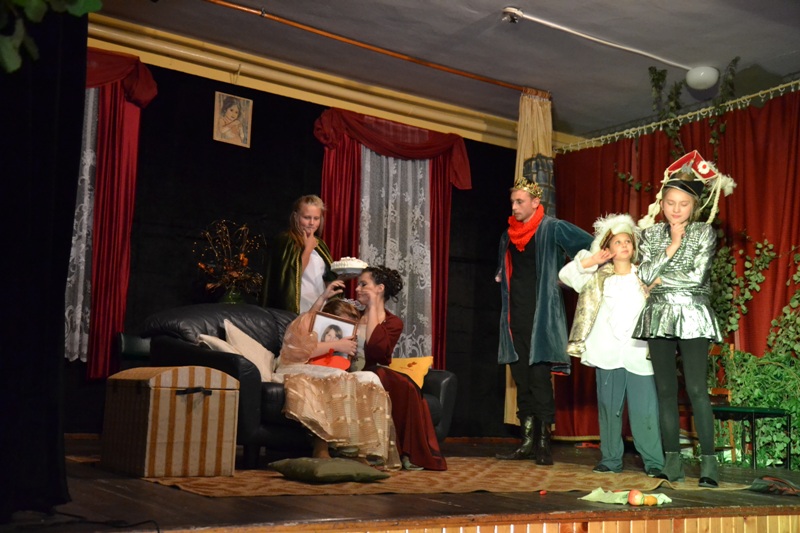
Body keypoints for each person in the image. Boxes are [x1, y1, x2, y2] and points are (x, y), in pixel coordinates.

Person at [633, 150, 735, 487]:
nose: (676, 209)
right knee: (664, 391)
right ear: (662, 203)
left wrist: (660, 278)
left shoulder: (704, 233)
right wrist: (673, 247)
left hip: (692, 313)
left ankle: (709, 466)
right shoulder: (650, 235)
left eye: (683, 204)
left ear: (694, 206)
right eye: (670, 203)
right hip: (658, 315)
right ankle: (672, 463)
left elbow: (695, 277)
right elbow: (644, 274)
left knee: (696, 389)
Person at [495, 174, 593, 465]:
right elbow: (505, 271)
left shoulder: (553, 227)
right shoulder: (508, 235)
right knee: (522, 380)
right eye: (512, 202)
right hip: (514, 316)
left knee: (539, 379)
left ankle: (543, 443)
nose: (514, 207)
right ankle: (526, 442)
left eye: (520, 201)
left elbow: (590, 244)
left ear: (535, 202)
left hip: (542, 317)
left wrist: (567, 277)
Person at [559, 213, 663, 476]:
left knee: (645, 409)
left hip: (639, 352)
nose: (624, 245)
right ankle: (611, 459)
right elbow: (566, 275)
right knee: (609, 408)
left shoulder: (644, 274)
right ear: (608, 248)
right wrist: (593, 260)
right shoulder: (598, 277)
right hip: (607, 351)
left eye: (628, 241)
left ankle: (654, 462)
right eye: (618, 242)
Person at [275, 279, 400, 468]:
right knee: (335, 377)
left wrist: (346, 351)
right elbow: (296, 352)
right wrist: (335, 343)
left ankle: (361, 449)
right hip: (297, 367)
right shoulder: (307, 321)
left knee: (370, 378)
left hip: (331, 371)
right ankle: (321, 447)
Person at [355, 265, 447, 471]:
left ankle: (405, 452)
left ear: (379, 288)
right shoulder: (351, 314)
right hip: (352, 371)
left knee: (395, 381)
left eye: (363, 284)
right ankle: (396, 451)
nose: (357, 289)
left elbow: (377, 351)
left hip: (376, 372)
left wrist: (373, 308)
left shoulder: (393, 322)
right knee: (387, 378)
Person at [261, 195, 338, 313]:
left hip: (320, 307)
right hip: (298, 308)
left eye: (316, 218)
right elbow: (289, 278)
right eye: (307, 217)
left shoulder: (320, 244)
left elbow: (327, 278)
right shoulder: (286, 240)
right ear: (296, 217)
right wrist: (308, 249)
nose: (312, 223)